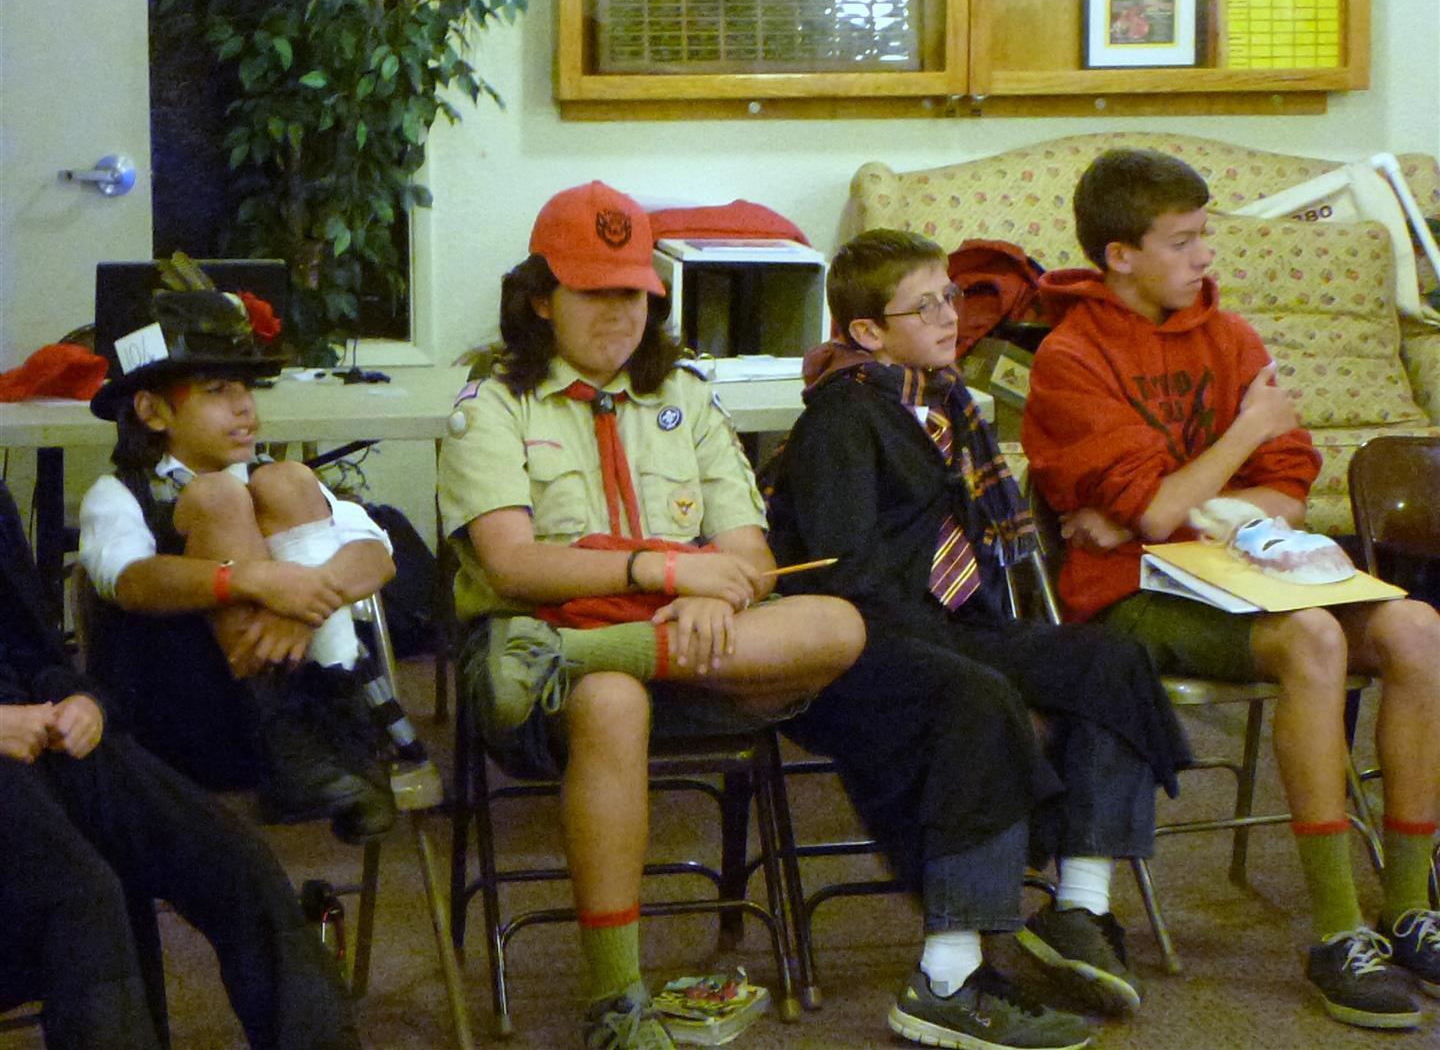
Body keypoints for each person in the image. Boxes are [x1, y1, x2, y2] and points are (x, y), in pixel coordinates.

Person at [437, 180, 865, 1049]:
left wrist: (710, 589)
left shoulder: (689, 397)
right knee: (610, 700)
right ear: (540, 298)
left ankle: (610, 653)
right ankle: (617, 1000)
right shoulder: (493, 406)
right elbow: (513, 565)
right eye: (595, 292)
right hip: (535, 651)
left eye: (634, 293)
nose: (620, 313)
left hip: (678, 646)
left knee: (840, 625)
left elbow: (751, 558)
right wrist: (668, 569)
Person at [1021, 147, 1440, 1030]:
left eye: (1203, 236)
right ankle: (1338, 934)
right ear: (1119, 255)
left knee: (1418, 629)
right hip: (1131, 597)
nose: (1205, 256)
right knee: (1313, 639)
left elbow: (1285, 487)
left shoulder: (1232, 336)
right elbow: (1152, 510)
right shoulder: (1071, 356)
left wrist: (1181, 505)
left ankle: (1408, 909)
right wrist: (1238, 437)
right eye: (1181, 242)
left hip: (1246, 576)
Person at [765, 228, 1190, 1050]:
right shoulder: (844, 420)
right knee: (979, 699)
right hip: (864, 643)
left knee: (1108, 659)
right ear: (866, 332)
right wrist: (950, 632)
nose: (948, 316)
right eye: (923, 306)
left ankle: (1078, 910)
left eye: (949, 297)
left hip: (956, 624)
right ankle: (947, 979)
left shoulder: (946, 405)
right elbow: (847, 578)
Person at [0, 478, 359, 1050]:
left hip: (40, 729)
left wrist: (83, 700)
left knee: (232, 860)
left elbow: (31, 648)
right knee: (87, 896)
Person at [79, 288, 397, 842]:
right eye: (216, 390)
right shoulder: (117, 494)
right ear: (152, 410)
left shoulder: (277, 480)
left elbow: (375, 554)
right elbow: (130, 582)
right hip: (183, 718)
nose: (245, 406)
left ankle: (326, 731)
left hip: (316, 726)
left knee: (287, 480)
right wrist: (253, 578)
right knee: (218, 498)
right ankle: (289, 735)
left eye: (247, 387)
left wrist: (299, 603)